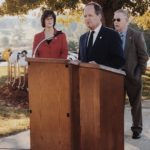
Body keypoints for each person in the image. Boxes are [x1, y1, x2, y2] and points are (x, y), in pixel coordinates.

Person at [113, 9, 149, 139]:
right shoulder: (112, 36)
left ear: (126, 21)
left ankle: (137, 129)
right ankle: (116, 129)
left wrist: (138, 73)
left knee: (136, 104)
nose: (115, 22)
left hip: (133, 76)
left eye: (118, 19)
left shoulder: (136, 35)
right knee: (116, 105)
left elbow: (144, 56)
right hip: (116, 76)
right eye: (114, 19)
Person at [78, 2, 125, 69]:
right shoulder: (82, 38)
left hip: (104, 78)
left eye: (90, 15)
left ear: (99, 16)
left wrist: (100, 66)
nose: (87, 19)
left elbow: (119, 61)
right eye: (85, 16)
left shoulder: (112, 35)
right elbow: (81, 60)